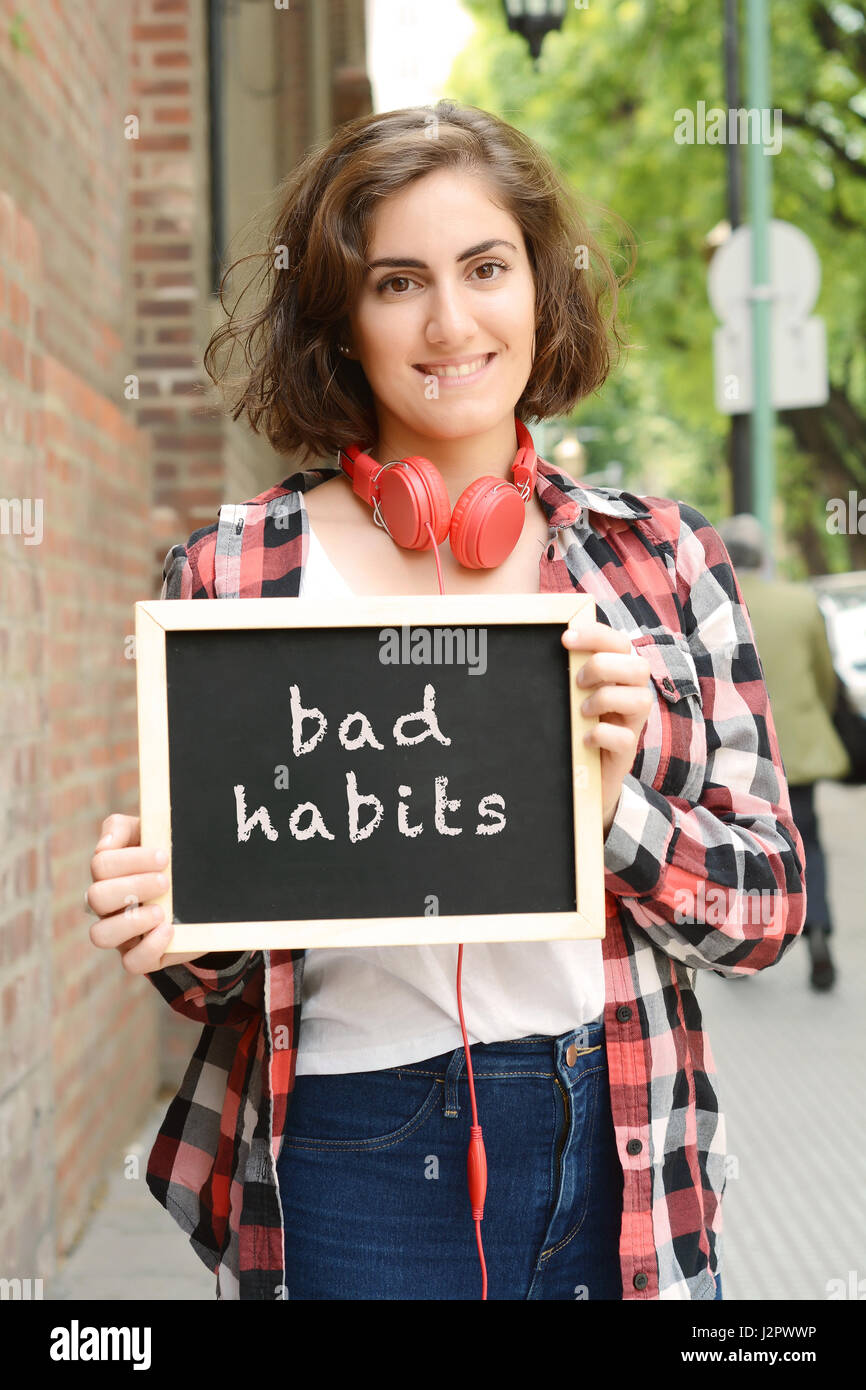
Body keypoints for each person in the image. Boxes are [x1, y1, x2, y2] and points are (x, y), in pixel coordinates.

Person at [86, 101, 806, 1301]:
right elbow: (214, 974)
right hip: (352, 1145)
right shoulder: (233, 572)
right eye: (396, 283)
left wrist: (607, 802)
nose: (449, 322)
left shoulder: (662, 561)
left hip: (625, 1134)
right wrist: (170, 920)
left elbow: (767, 909)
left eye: (484, 268)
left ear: (539, 289)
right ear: (342, 323)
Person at [717, 512, 850, 991]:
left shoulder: (716, 602)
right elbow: (824, 676)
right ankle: (817, 930)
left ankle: (747, 941)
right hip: (799, 747)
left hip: (736, 751)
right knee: (807, 840)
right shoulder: (800, 602)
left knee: (742, 842)